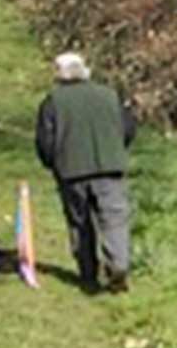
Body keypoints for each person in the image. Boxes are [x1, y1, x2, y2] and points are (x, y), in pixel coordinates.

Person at [34, 52, 137, 293]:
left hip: (71, 172)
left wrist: (53, 164)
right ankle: (118, 266)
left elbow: (44, 142)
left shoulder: (52, 101)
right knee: (114, 221)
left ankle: (88, 274)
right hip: (110, 168)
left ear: (59, 74)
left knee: (80, 224)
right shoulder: (109, 95)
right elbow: (129, 128)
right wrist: (116, 150)